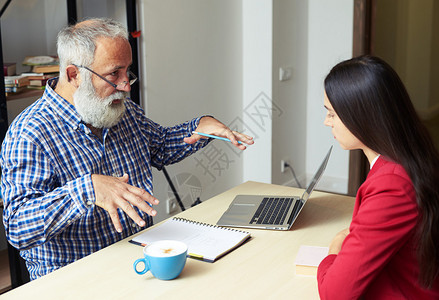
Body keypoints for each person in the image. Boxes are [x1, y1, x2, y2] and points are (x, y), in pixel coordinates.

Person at [0, 18, 253, 280]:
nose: (126, 85)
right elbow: (18, 227)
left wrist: (200, 127)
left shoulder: (122, 111)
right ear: (74, 75)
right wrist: (87, 189)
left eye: (127, 71)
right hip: (75, 281)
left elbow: (161, 146)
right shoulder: (30, 133)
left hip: (138, 265)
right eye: (114, 74)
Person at [319, 55, 439, 299]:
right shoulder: (408, 157)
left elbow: (334, 294)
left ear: (360, 115)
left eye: (332, 114)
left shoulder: (393, 184)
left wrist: (335, 250)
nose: (327, 122)